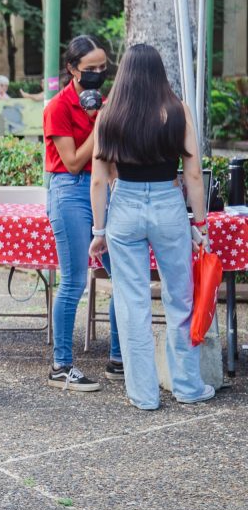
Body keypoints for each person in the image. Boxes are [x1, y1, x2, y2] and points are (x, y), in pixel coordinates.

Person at [89, 44, 215, 409]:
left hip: (124, 205)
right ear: (160, 73)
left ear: (124, 74)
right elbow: (192, 174)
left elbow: (98, 181)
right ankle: (188, 387)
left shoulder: (109, 115)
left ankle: (143, 394)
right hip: (167, 203)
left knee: (132, 303)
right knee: (181, 298)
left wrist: (99, 232)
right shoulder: (178, 112)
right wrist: (200, 224)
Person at [43, 35, 122, 391]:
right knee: (73, 280)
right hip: (70, 191)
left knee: (123, 276)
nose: (97, 74)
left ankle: (119, 358)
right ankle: (62, 365)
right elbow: (73, 162)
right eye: (90, 69)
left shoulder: (105, 103)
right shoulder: (57, 107)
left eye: (102, 68)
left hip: (105, 189)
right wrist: (99, 124)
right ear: (72, 69)